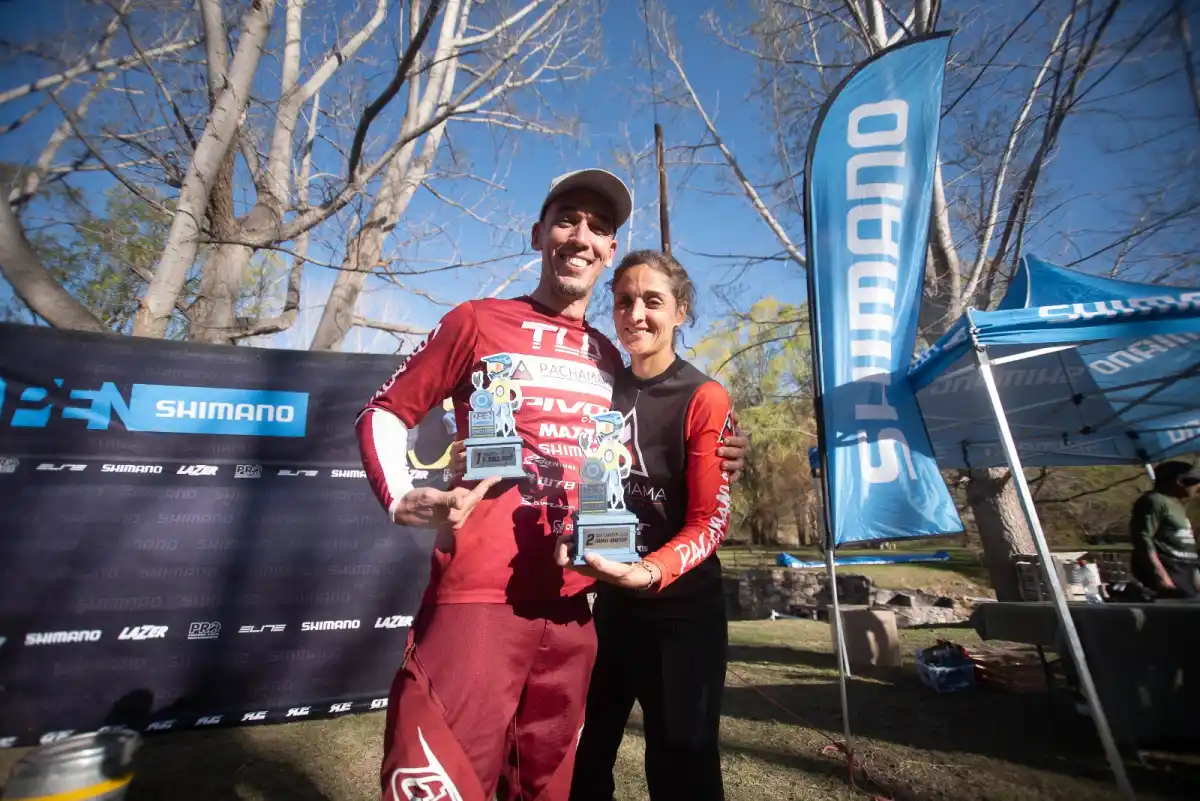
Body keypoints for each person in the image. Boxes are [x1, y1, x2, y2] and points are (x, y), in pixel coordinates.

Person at [355, 169, 748, 801]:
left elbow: (658, 441)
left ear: (609, 250)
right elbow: (381, 411)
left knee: (554, 788)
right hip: (480, 601)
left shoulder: (610, 356)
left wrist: (727, 446)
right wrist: (400, 494)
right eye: (567, 219)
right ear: (539, 233)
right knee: (447, 782)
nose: (581, 236)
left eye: (599, 227)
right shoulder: (476, 320)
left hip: (578, 610)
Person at [561, 250, 733, 801]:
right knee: (582, 762)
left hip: (683, 619)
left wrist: (652, 572)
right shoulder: (599, 388)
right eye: (624, 301)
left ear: (680, 312)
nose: (636, 313)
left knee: (681, 769)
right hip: (611, 610)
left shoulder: (705, 397)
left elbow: (710, 520)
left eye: (652, 301)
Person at [1129, 460, 1200, 598]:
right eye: (1195, 482)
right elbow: (1143, 539)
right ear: (1180, 482)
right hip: (1170, 569)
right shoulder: (1154, 501)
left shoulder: (1175, 504)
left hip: (1187, 570)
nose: (1198, 487)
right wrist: (1162, 577)